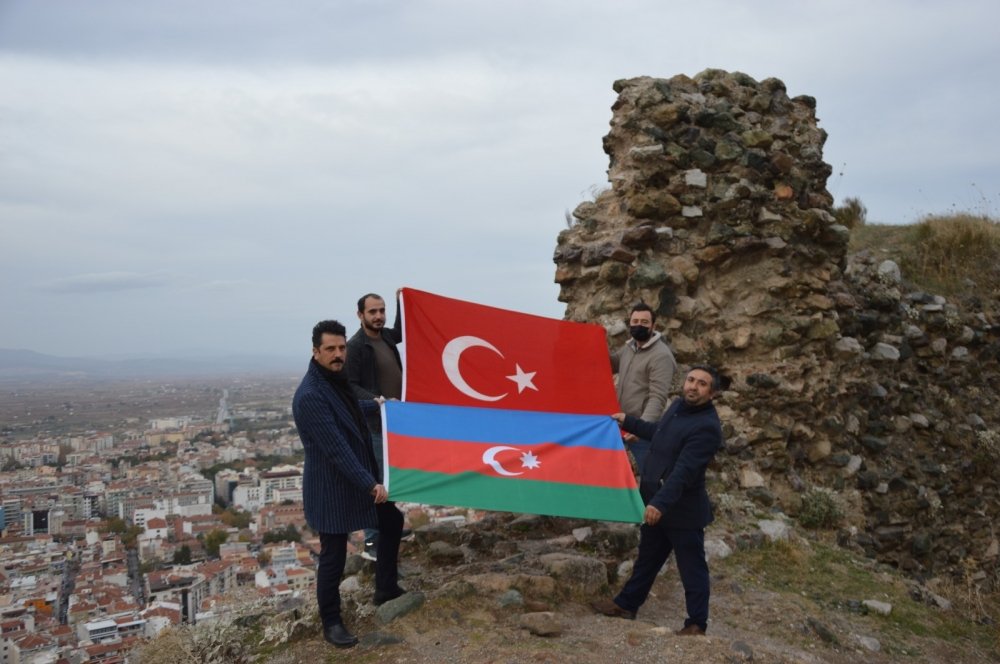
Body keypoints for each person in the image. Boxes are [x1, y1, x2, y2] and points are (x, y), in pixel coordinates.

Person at [293, 320, 405, 648]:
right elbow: (337, 451)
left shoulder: (331, 380)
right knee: (333, 557)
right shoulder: (310, 395)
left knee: (392, 521)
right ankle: (331, 622)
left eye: (342, 348)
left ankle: (385, 588)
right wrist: (371, 485)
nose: (338, 354)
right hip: (331, 489)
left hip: (353, 482)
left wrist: (379, 405)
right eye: (330, 349)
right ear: (316, 352)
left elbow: (349, 408)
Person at [591, 365, 724, 636]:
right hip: (655, 501)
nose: (693, 386)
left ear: (711, 393)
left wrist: (659, 504)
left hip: (680, 510)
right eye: (691, 380)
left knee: (692, 568)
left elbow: (684, 472)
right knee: (648, 559)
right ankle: (626, 605)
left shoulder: (708, 428)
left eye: (701, 384)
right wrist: (626, 420)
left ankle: (697, 623)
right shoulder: (677, 406)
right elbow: (658, 432)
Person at [344, 291, 403, 561]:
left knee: (388, 478)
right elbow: (350, 384)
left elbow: (403, 331)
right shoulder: (355, 346)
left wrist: (404, 301)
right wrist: (375, 400)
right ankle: (370, 540)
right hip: (373, 424)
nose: (378, 316)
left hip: (394, 423)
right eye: (372, 312)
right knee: (376, 480)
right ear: (360, 315)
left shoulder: (387, 337)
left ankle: (388, 527)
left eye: (382, 310)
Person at [610, 302, 678, 469]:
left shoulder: (661, 356)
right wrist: (596, 343)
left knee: (650, 477)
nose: (639, 325)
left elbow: (658, 397)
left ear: (653, 326)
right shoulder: (629, 347)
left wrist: (641, 428)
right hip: (621, 425)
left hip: (642, 432)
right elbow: (611, 365)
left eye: (644, 322)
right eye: (635, 321)